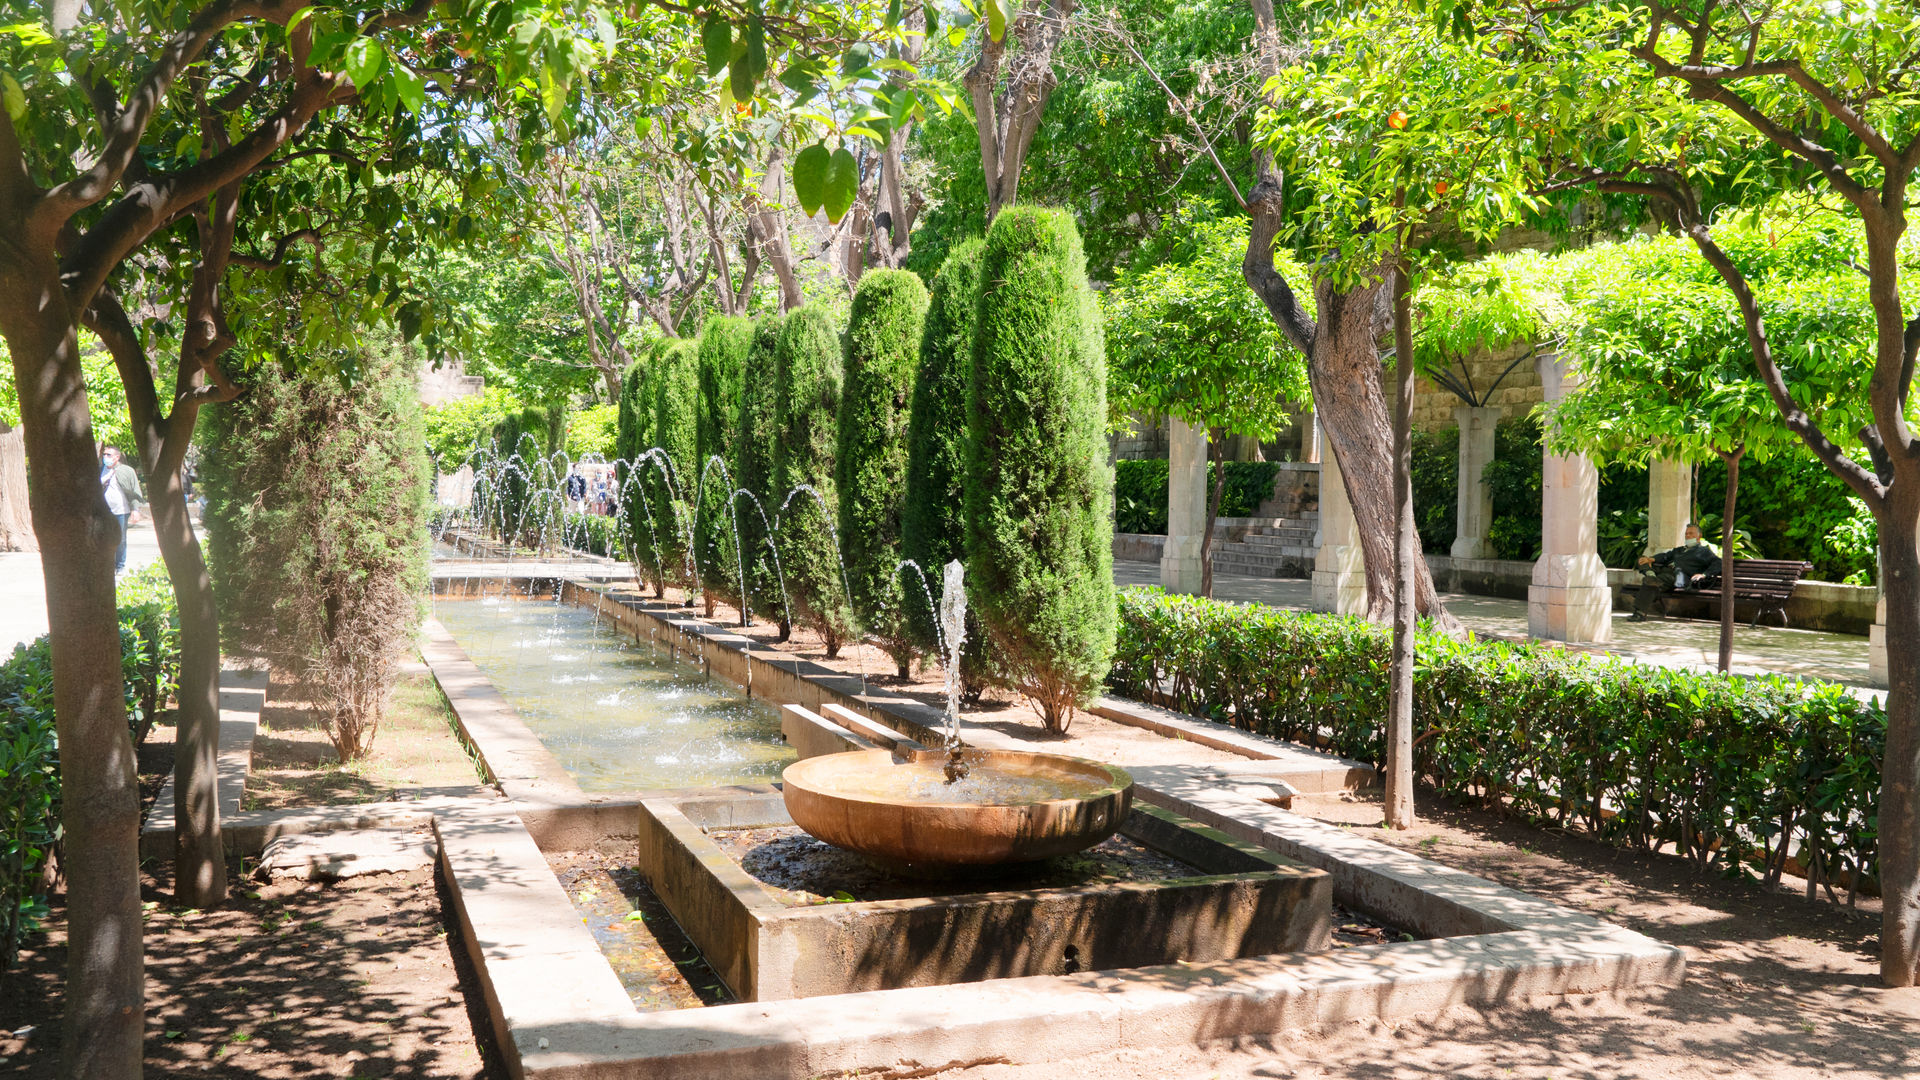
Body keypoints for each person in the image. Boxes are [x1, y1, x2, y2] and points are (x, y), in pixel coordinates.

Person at [1629, 522, 1721, 622]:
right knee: (1642, 559)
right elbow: (1665, 556)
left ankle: (1639, 613)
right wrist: (1651, 559)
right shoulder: (1680, 550)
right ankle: (1652, 576)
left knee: (1654, 582)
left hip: (1677, 576)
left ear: (1699, 536)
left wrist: (1703, 574)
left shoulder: (1703, 551)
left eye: (1691, 533)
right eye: (1686, 533)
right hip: (1663, 572)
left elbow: (1718, 563)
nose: (1687, 536)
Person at [99, 446, 145, 573]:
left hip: (121, 511)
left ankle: (120, 565)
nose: (105, 457)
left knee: (120, 539)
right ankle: (107, 565)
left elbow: (134, 490)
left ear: (117, 457)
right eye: (104, 454)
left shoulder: (127, 471)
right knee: (103, 538)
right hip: (103, 512)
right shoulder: (99, 470)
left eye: (109, 455)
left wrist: (135, 509)